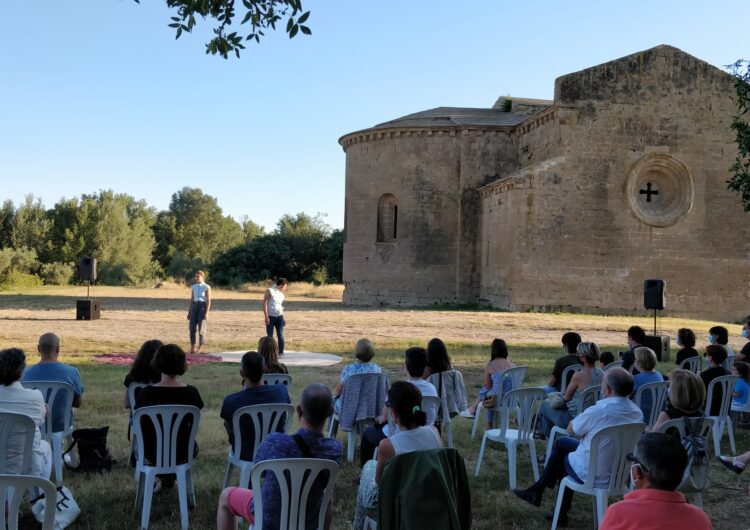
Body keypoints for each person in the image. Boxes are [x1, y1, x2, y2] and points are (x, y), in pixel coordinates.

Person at [513, 368, 643, 527]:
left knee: (562, 457)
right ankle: (541, 494)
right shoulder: (637, 413)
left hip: (592, 472)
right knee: (562, 443)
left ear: (607, 389)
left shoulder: (598, 411)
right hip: (619, 473)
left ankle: (553, 505)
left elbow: (571, 429)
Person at [216, 384, 343, 530]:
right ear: (330, 411)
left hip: (268, 518)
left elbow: (260, 472)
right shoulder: (334, 450)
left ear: (299, 410)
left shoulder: (275, 442)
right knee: (328, 499)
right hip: (307, 520)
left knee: (226, 496)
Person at [353, 381, 442, 529]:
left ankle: (358, 526)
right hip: (427, 497)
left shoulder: (388, 445)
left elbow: (380, 482)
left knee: (368, 468)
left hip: (398, 504)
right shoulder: (434, 432)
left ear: (393, 414)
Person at [599, 433, 712, 530]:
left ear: (637, 471)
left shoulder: (618, 513)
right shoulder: (700, 520)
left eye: (632, 460)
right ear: (682, 474)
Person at [134, 344, 204, 488]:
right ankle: (170, 478)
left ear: (157, 363)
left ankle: (163, 479)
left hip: (150, 453)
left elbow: (140, 424)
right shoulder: (192, 393)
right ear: (182, 365)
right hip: (183, 452)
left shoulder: (146, 394)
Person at [359, 347, 438, 466]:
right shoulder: (432, 389)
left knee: (367, 433)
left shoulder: (398, 390)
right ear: (425, 367)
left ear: (406, 366)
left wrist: (379, 420)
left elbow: (384, 419)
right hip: (425, 434)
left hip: (398, 435)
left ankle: (363, 472)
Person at [220, 352, 290, 462]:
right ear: (265, 370)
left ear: (242, 373)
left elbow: (229, 427)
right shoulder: (281, 391)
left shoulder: (231, 401)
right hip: (275, 449)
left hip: (245, 453)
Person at [0, 347, 52, 479]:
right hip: (24, 466)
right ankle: (38, 495)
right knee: (45, 446)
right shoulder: (35, 397)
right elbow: (40, 420)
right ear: (21, 372)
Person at [537, 342, 604, 438]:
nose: (577, 356)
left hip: (574, 420)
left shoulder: (579, 375)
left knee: (545, 404)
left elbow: (566, 398)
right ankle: (546, 435)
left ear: (583, 358)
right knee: (547, 411)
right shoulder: (602, 373)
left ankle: (546, 436)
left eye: (579, 354)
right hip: (594, 418)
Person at [23, 332, 84, 432]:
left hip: (34, 424)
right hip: (61, 425)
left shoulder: (25, 374)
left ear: (38, 349)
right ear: (58, 349)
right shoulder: (71, 372)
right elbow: (77, 403)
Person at [461, 338, 515, 419]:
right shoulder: (512, 365)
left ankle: (475, 411)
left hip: (496, 401)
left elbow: (487, 386)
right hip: (512, 399)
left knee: (487, 391)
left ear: (493, 350)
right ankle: (473, 409)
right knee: (491, 391)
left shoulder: (490, 366)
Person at [334, 338, 382, 414]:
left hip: (350, 409)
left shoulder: (349, 369)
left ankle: (331, 426)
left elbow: (339, 391)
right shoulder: (377, 369)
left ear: (356, 352)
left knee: (333, 401)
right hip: (370, 407)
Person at [122, 339, 163, 409]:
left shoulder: (131, 377)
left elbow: (127, 404)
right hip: (162, 419)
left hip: (138, 419)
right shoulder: (166, 379)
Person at [631, 347, 664, 422]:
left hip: (638, 417)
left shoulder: (635, 379)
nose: (634, 361)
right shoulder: (659, 375)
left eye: (635, 360)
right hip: (657, 417)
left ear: (640, 363)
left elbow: (625, 397)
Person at [700, 345, 730, 416]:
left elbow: (700, 392)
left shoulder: (705, 374)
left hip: (709, 408)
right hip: (724, 408)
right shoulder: (728, 373)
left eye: (706, 354)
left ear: (710, 357)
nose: (705, 356)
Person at [187, 270, 211, 353]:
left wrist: (207, 312)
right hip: (194, 307)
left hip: (202, 307)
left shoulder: (206, 287)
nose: (196, 278)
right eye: (195, 276)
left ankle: (200, 347)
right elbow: (191, 299)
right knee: (191, 328)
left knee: (202, 328)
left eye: (198, 276)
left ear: (202, 277)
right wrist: (189, 311)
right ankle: (192, 346)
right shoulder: (193, 287)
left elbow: (209, 300)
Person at [263, 278, 288, 355]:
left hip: (279, 317)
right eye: (285, 286)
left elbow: (280, 306)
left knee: (280, 335)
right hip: (270, 316)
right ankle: (270, 353)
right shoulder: (270, 291)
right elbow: (264, 303)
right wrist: (266, 316)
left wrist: (283, 318)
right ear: (281, 285)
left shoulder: (281, 295)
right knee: (270, 336)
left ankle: (281, 352)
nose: (285, 288)